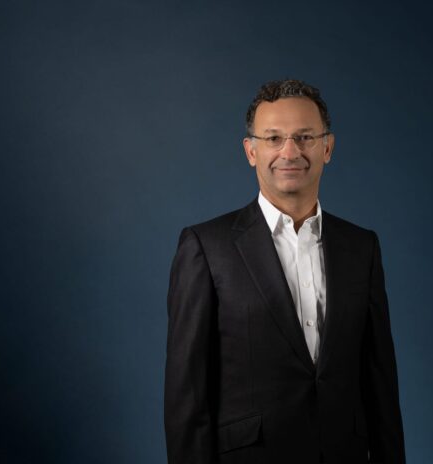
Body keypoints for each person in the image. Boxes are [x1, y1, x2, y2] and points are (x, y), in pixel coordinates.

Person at [165, 79, 405, 464]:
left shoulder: (362, 247)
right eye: (274, 138)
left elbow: (380, 384)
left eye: (305, 137)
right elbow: (187, 396)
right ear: (251, 151)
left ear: (327, 147)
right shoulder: (206, 247)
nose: (290, 152)